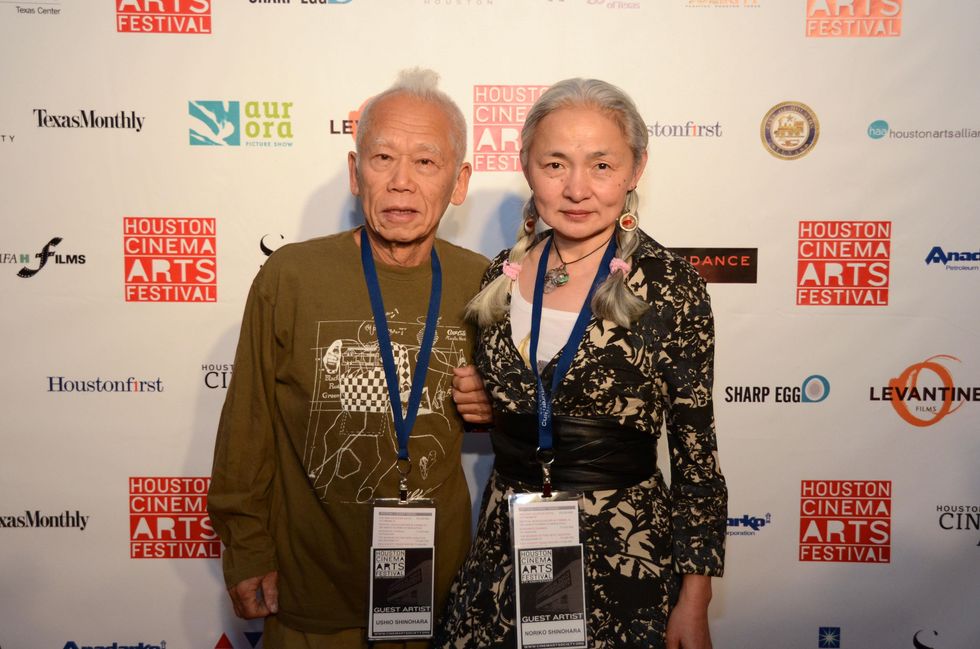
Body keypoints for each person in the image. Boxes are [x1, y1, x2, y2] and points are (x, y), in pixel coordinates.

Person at [433, 78, 727, 649]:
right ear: (526, 167)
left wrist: (695, 599)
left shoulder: (670, 286)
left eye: (601, 166)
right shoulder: (500, 275)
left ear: (636, 168)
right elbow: (524, 400)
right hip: (508, 545)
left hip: (626, 559)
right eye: (554, 164)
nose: (576, 189)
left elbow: (698, 458)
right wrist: (483, 403)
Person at [207, 68, 490, 649]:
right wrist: (246, 549)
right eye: (383, 157)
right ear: (355, 173)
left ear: (459, 181)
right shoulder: (290, 276)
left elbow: (543, 432)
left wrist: (498, 407)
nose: (401, 182)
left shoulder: (485, 283)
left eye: (426, 162)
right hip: (309, 594)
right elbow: (247, 429)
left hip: (439, 596)